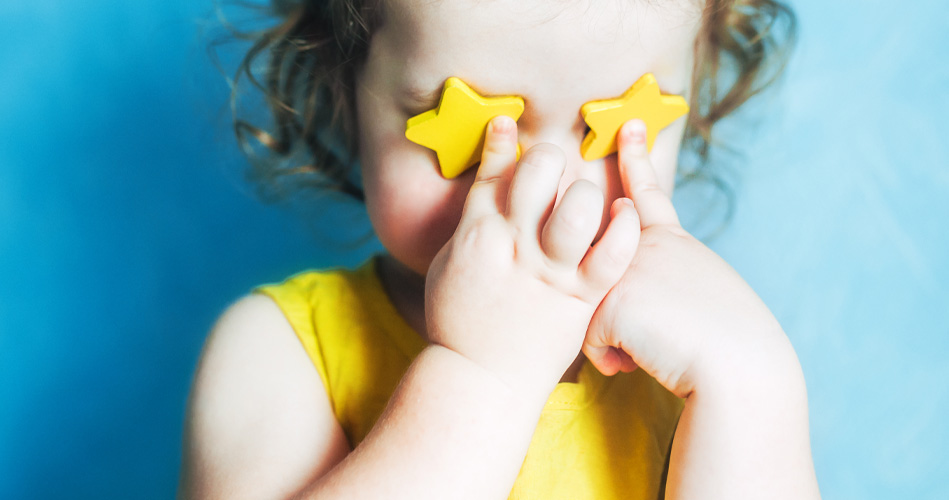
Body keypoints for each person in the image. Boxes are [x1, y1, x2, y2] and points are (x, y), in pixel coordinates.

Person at [179, 0, 822, 498]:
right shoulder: (279, 353)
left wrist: (757, 394)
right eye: (478, 133)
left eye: (614, 129)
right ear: (343, 90)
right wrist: (484, 379)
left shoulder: (698, 358)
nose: (552, 190)